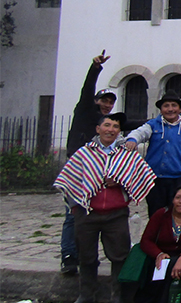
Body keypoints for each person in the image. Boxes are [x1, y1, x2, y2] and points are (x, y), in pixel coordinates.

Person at [53, 112, 156, 303]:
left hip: (116, 214)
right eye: (107, 125)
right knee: (86, 256)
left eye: (115, 127)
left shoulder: (127, 154)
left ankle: (117, 295)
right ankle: (86, 294)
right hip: (87, 214)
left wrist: (121, 182)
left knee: (119, 256)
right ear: (98, 129)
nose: (111, 130)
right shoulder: (85, 153)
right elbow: (70, 179)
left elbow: (141, 177)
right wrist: (76, 208)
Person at [62, 52, 115, 275]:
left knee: (91, 215)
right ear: (96, 101)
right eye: (104, 100)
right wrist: (95, 68)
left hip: (97, 172)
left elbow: (128, 122)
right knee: (73, 214)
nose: (107, 104)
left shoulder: (107, 124)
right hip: (77, 170)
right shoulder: (84, 110)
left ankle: (88, 258)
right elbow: (87, 89)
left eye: (110, 102)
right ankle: (69, 256)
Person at [126, 91, 181, 217]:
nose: (170, 109)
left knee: (177, 213)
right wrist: (132, 139)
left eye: (173, 105)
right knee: (156, 214)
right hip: (155, 179)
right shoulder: (153, 125)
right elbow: (139, 133)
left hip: (179, 178)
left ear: (179, 108)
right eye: (166, 106)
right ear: (161, 109)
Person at [133, 185, 181, 303]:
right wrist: (158, 254)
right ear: (173, 200)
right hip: (163, 255)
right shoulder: (161, 214)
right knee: (162, 267)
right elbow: (146, 240)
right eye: (178, 198)